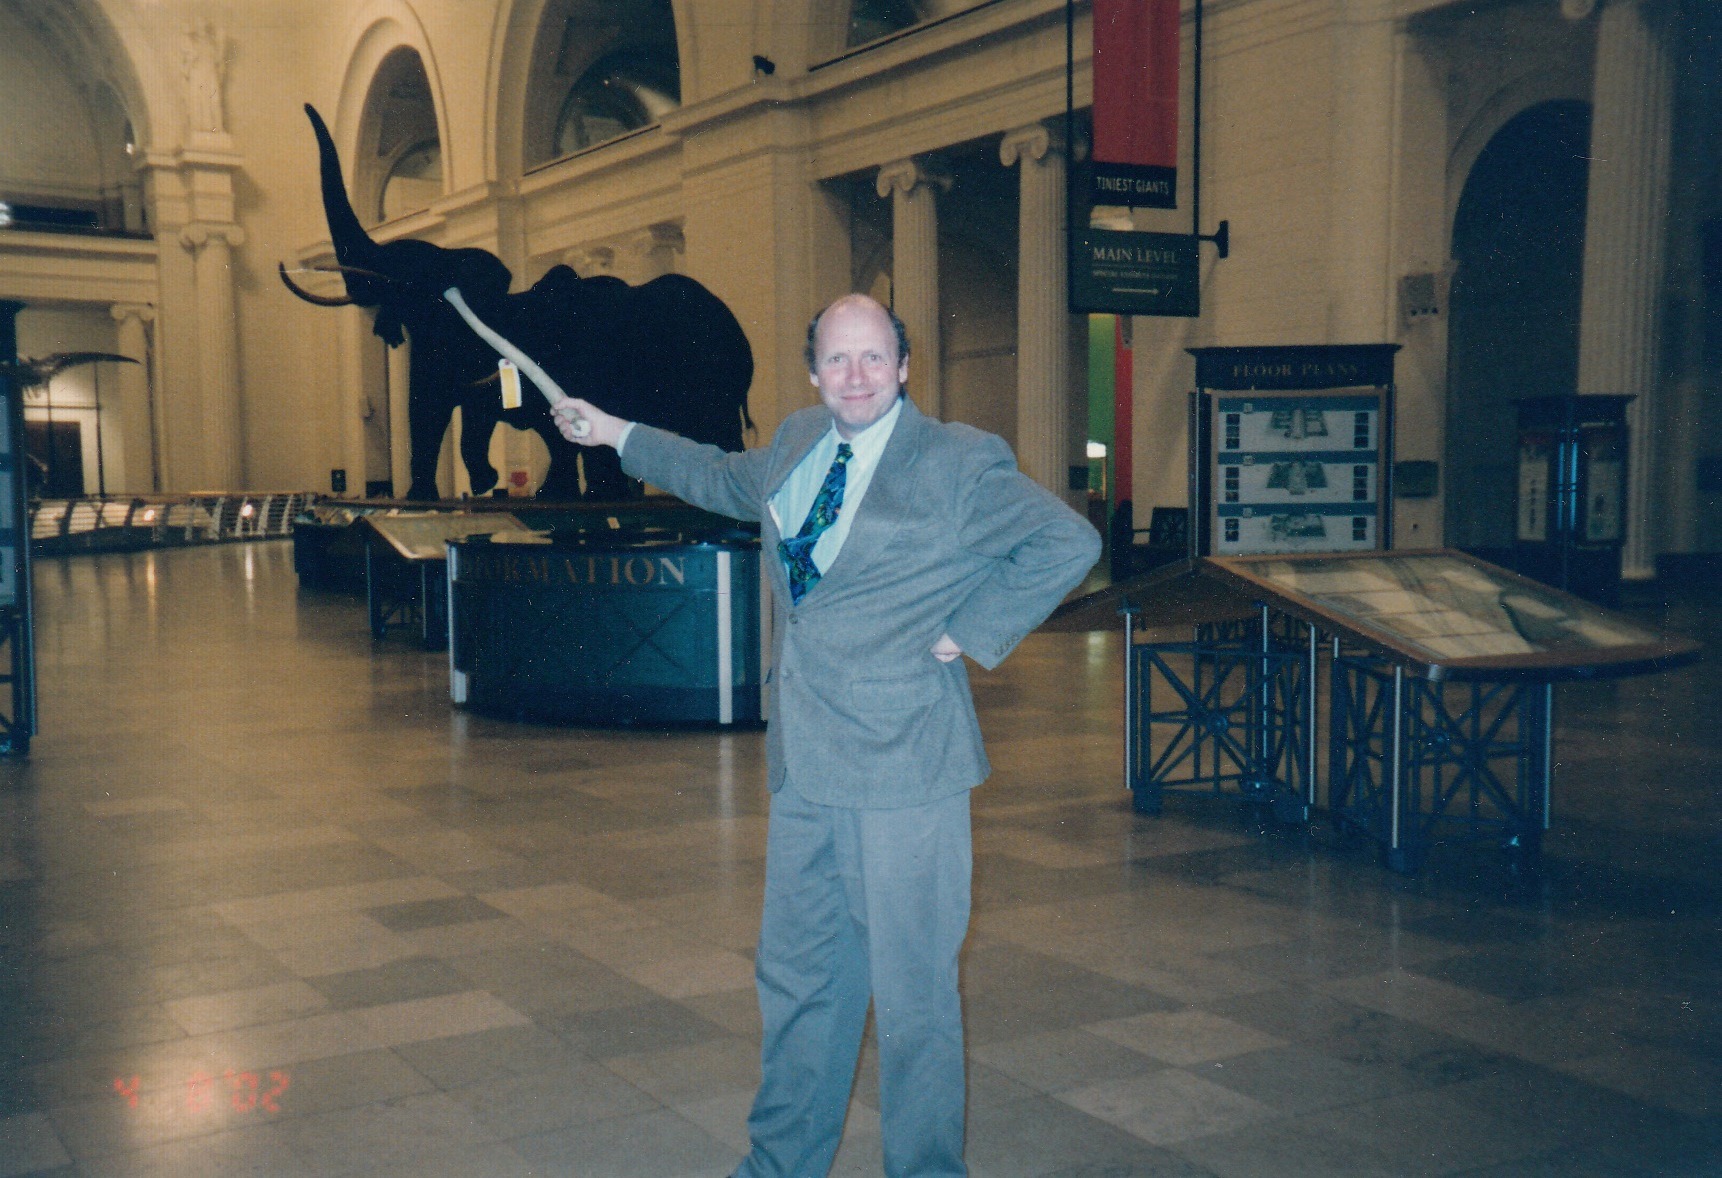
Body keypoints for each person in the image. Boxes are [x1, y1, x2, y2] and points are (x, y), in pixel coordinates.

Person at [552, 293, 1100, 1176]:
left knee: (914, 999)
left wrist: (971, 629)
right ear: (813, 371)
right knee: (800, 982)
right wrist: (615, 431)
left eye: (873, 358)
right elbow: (721, 476)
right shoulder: (802, 440)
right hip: (804, 765)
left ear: (905, 366)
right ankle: (779, 1165)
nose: (855, 377)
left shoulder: (957, 461)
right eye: (838, 360)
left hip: (905, 768)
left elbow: (1063, 541)